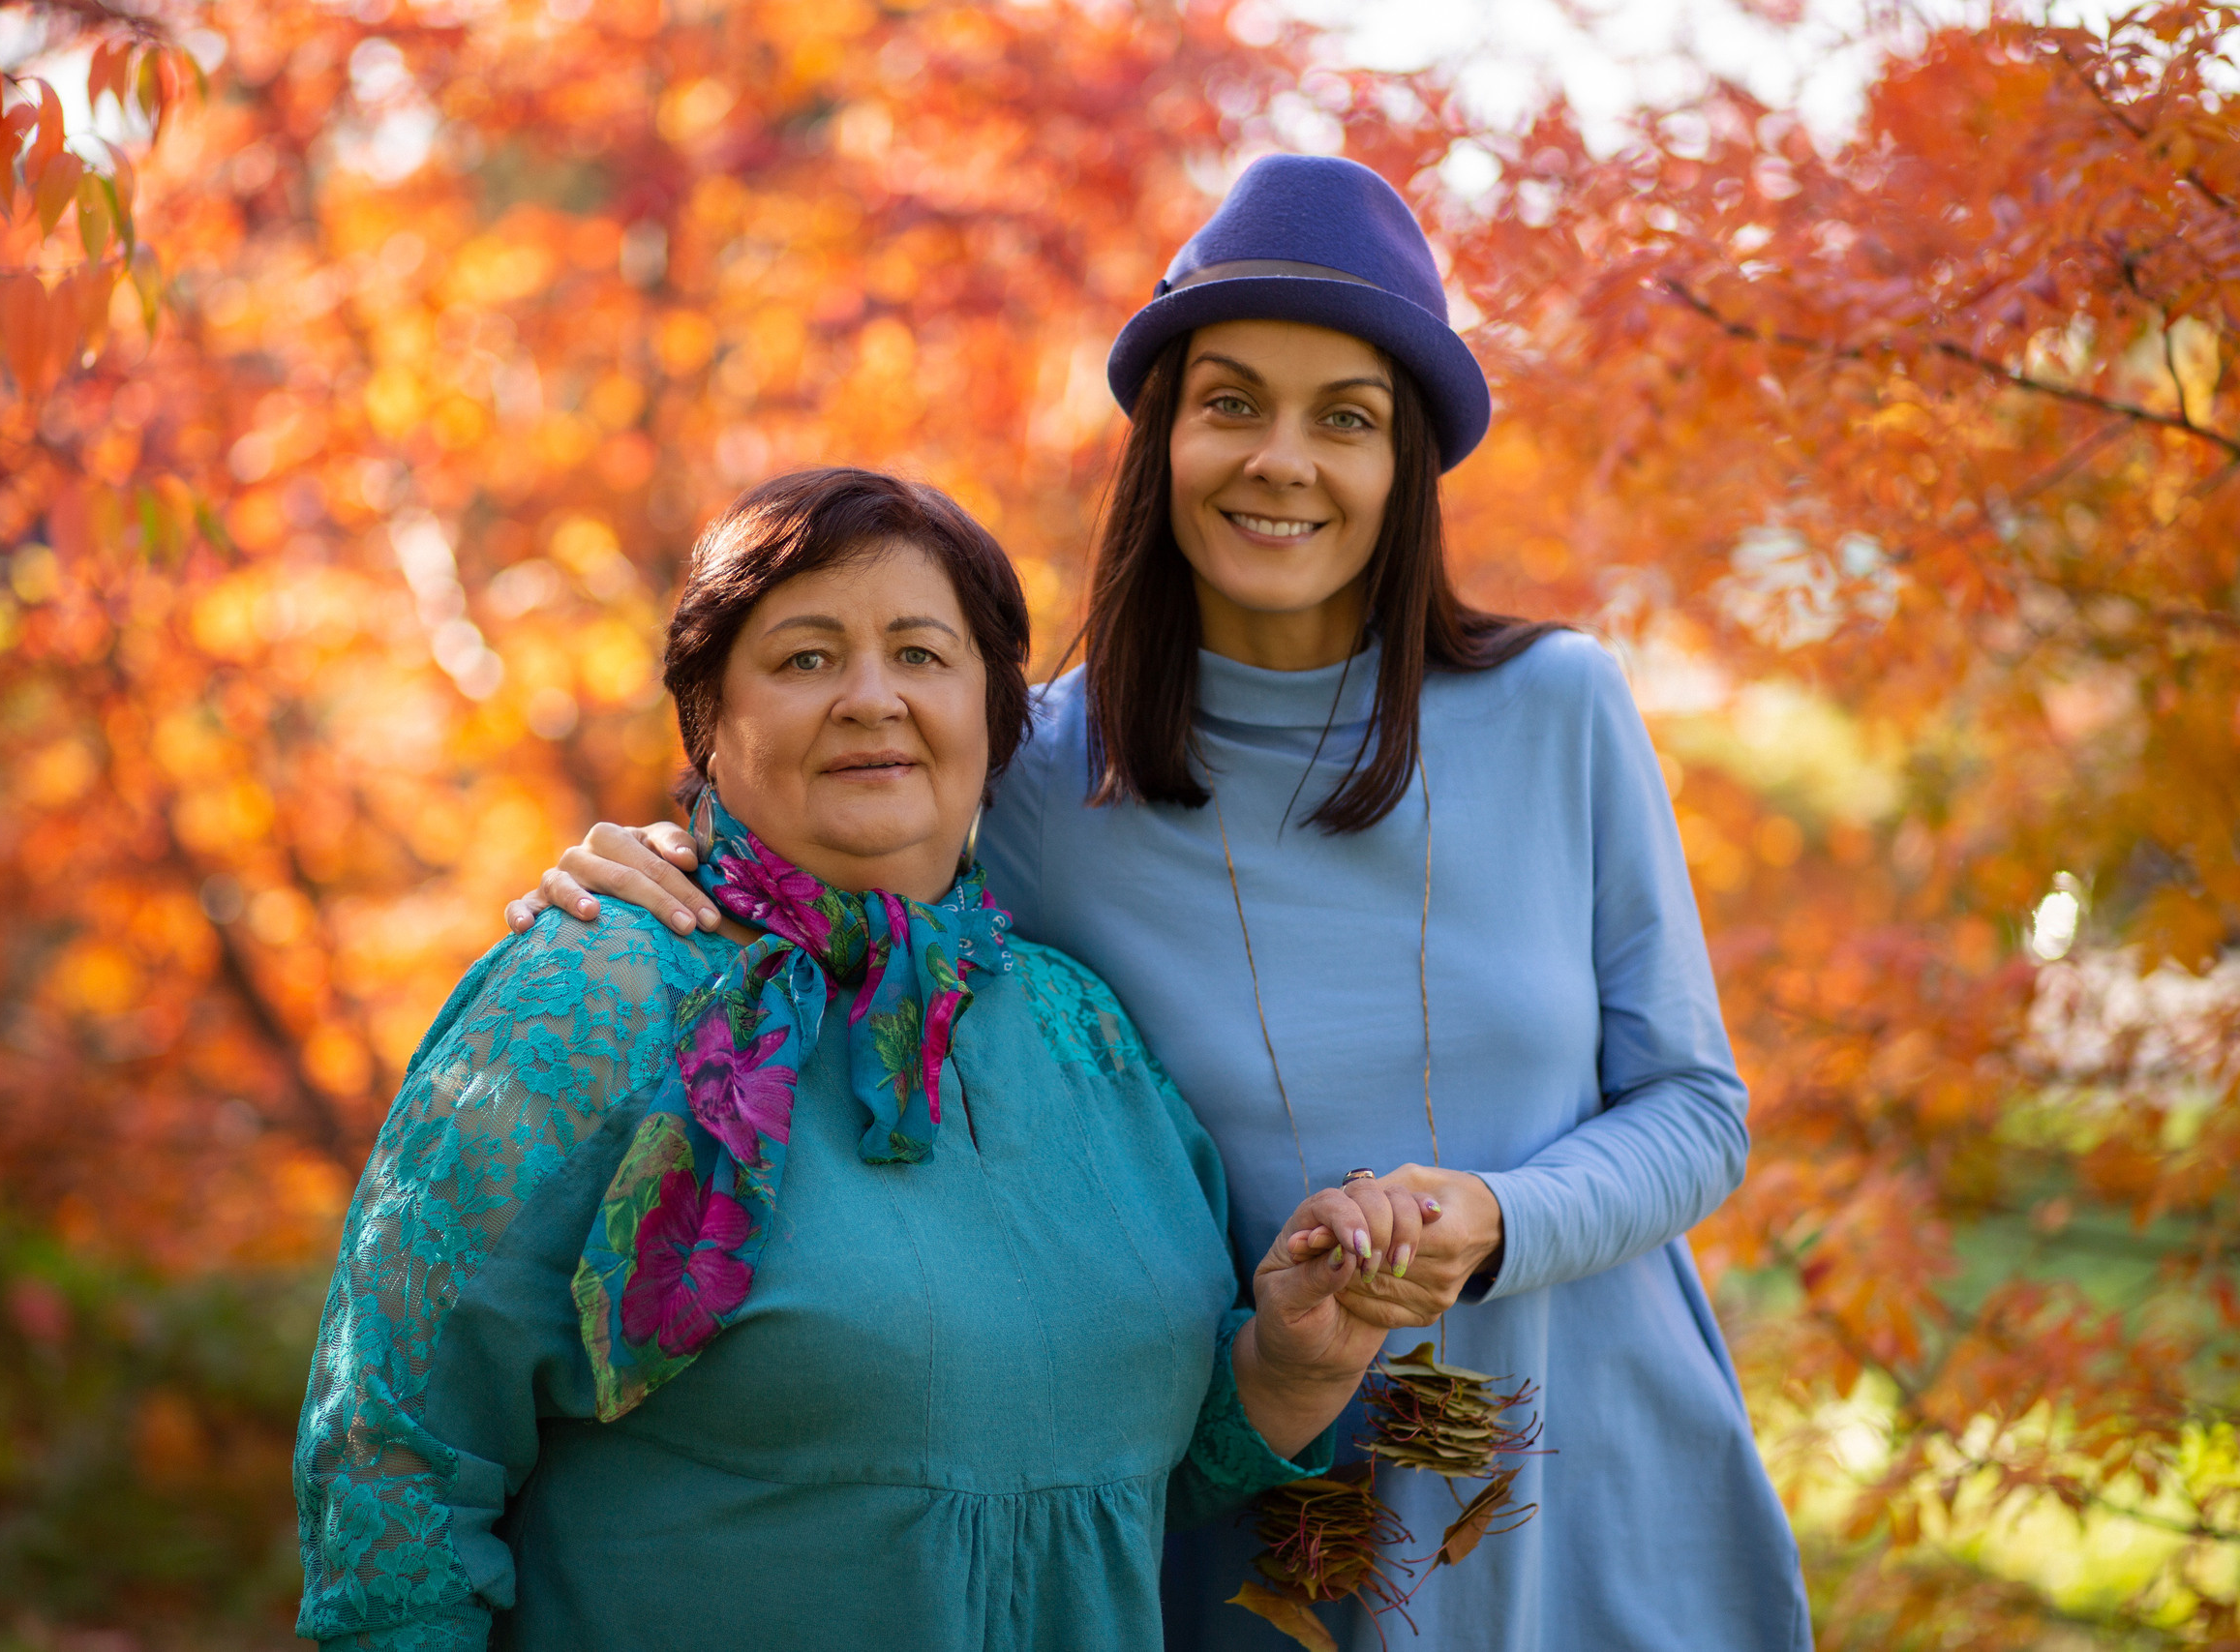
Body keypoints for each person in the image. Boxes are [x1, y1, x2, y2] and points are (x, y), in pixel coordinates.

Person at [506, 157, 1812, 1650]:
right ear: (1167, 438)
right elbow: (828, 875)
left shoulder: (1555, 707)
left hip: (1588, 1474)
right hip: (1263, 1504)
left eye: (1347, 418)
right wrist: (648, 859)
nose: (1284, 460)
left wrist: (1501, 1218)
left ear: (1406, 469)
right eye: (1234, 401)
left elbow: (1698, 1105)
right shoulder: (1045, 773)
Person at [295, 466, 1435, 1652]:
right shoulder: (590, 995)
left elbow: (1104, 1486)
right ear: (709, 722)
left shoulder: (1079, 1029)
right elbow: (391, 1462)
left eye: (921, 653)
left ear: (995, 716)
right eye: (804, 657)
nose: (870, 697)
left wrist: (1295, 1365)